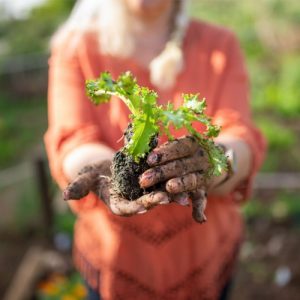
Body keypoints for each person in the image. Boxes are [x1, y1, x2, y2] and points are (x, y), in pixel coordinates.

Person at [45, 0, 266, 299]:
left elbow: (239, 134)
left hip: (206, 257)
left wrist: (213, 163)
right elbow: (73, 139)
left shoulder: (219, 45)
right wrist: (104, 169)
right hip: (115, 260)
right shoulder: (76, 48)